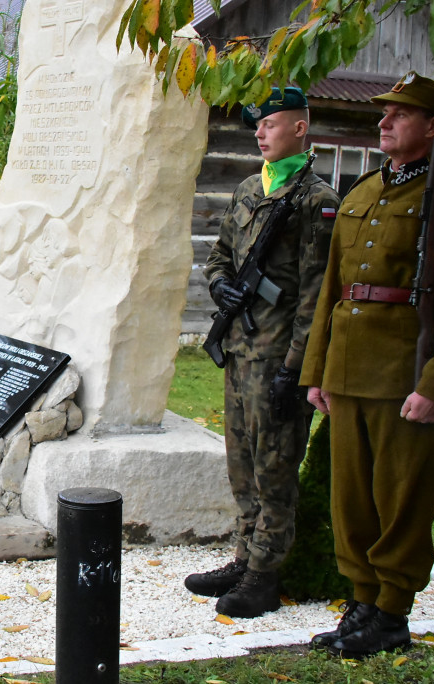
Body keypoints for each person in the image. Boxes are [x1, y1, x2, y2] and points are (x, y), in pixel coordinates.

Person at [301, 72, 434, 658]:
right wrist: (317, 372)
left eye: (400, 114)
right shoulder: (361, 194)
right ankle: (362, 599)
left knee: (401, 498)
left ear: (433, 126)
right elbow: (332, 290)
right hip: (349, 371)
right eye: (383, 113)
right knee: (352, 500)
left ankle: (391, 612)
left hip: (405, 374)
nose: (383, 122)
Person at [184, 87, 340, 618]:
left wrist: (295, 370)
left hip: (278, 359)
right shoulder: (252, 187)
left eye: (270, 123)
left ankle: (265, 575)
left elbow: (317, 298)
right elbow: (221, 255)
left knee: (275, 470)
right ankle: (244, 556)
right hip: (239, 350)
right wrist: (221, 286)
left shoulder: (317, 200)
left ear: (299, 128)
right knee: (242, 465)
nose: (259, 132)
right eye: (258, 125)